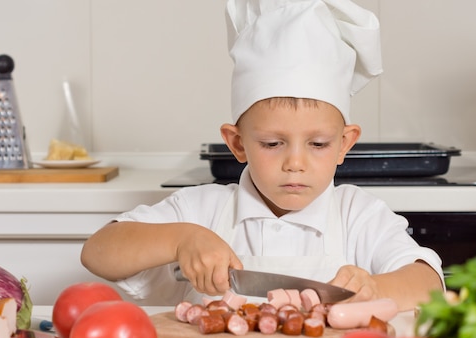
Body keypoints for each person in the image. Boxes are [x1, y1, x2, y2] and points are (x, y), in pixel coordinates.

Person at [81, 0, 444, 312]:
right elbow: (98, 252)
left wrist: (375, 290)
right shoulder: (203, 211)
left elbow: (429, 283)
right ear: (237, 143)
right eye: (272, 143)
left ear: (344, 144)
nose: (295, 163)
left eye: (318, 144)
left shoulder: (357, 215)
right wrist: (179, 239)